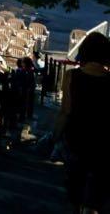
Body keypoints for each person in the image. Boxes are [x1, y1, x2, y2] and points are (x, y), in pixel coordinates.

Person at [56, 33, 110, 213]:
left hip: (76, 138)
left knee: (75, 184)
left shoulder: (71, 76)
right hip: (103, 143)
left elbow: (65, 112)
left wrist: (55, 135)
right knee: (99, 187)